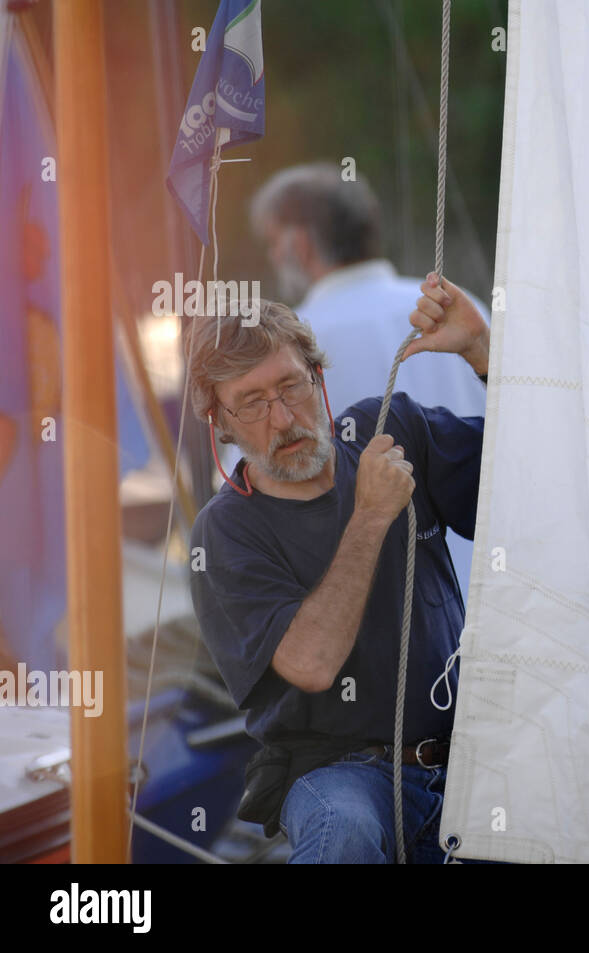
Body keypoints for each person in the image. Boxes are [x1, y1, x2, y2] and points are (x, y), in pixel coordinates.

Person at [187, 278, 487, 864]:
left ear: (318, 378)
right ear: (220, 423)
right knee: (345, 831)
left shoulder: (394, 429)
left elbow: (530, 478)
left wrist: (482, 354)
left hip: (467, 756)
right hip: (337, 772)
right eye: (251, 402)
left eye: (291, 386)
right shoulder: (225, 531)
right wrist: (372, 515)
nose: (282, 418)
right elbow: (312, 663)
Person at [232, 163, 488, 603]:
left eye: (274, 243)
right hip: (492, 596)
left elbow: (249, 491)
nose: (274, 257)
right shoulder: (460, 310)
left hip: (384, 622)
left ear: (299, 243)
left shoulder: (285, 347)